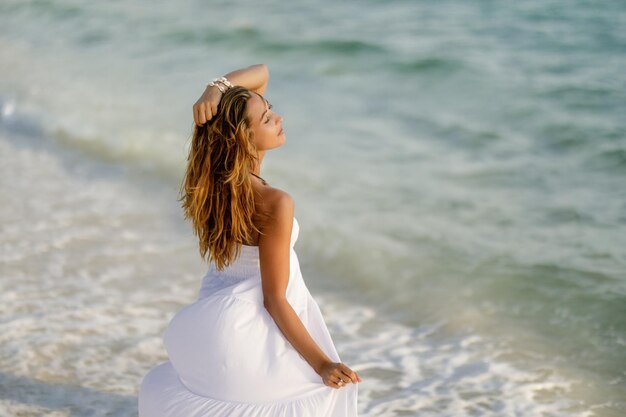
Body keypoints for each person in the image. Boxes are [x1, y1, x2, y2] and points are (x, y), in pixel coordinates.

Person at [138, 64, 361, 417]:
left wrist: (215, 87)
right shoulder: (276, 202)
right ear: (244, 137)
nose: (279, 117)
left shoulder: (212, 186)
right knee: (315, 399)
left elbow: (261, 74)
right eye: (268, 118)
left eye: (271, 111)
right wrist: (322, 364)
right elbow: (275, 299)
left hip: (213, 321)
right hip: (251, 330)